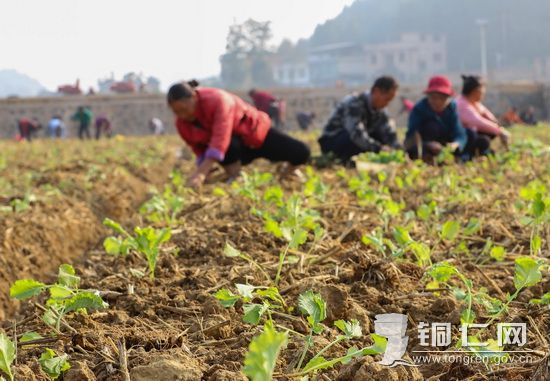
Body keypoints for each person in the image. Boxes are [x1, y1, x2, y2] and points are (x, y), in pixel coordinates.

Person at [167, 80, 310, 188]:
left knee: (302, 151)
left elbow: (220, 137)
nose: (182, 115)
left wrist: (201, 174)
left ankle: (287, 173)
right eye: (176, 112)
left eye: (184, 109)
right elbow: (198, 148)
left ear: (193, 97)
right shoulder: (181, 123)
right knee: (227, 146)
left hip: (255, 134)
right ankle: (234, 176)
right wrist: (204, 168)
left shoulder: (218, 100)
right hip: (234, 149)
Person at [318, 76, 401, 164]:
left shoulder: (381, 110)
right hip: (334, 140)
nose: (387, 104)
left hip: (355, 138)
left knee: (380, 137)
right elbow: (356, 134)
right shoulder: (354, 103)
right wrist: (379, 148)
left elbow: (389, 133)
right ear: (376, 91)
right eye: (386, 99)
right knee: (354, 141)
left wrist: (397, 150)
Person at [404, 76, 471, 164]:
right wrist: (428, 144)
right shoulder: (419, 109)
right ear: (428, 97)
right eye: (434, 98)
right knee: (432, 127)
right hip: (425, 148)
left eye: (442, 98)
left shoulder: (452, 108)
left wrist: (456, 144)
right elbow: (411, 137)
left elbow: (460, 134)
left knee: (472, 135)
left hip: (445, 146)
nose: (438, 102)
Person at [456, 75, 511, 156]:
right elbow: (478, 122)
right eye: (483, 89)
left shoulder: (474, 103)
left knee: (488, 134)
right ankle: (469, 154)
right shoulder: (461, 104)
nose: (484, 92)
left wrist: (498, 126)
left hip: (470, 135)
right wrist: (499, 131)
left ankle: (480, 151)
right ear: (476, 91)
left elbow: (487, 115)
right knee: (481, 138)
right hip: (461, 137)